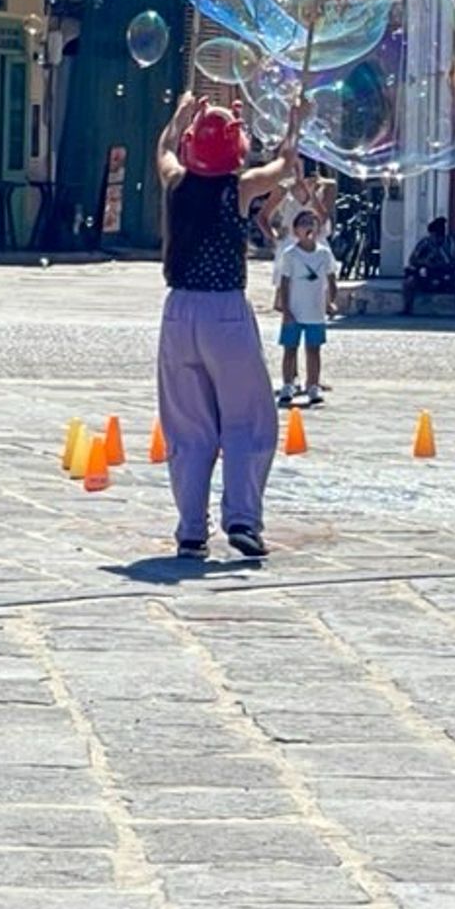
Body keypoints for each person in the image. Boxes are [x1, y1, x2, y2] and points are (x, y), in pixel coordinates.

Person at [156, 92, 298, 560]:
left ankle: (191, 530)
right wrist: (295, 123)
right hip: (225, 314)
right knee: (248, 421)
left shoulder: (176, 181)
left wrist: (179, 120)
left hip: (178, 315)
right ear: (234, 151)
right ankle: (241, 519)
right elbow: (285, 167)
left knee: (187, 428)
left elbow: (165, 151)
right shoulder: (238, 188)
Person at [274, 209, 339, 406]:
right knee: (290, 349)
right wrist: (286, 310)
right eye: (303, 223)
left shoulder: (324, 254)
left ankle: (313, 385)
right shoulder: (290, 255)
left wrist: (330, 301)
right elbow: (284, 283)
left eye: (312, 223)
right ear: (295, 230)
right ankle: (288, 384)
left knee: (314, 349)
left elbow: (331, 278)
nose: (308, 227)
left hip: (315, 311)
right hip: (294, 310)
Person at [403, 215, 455, 316]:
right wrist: (425, 262)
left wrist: (444, 264)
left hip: (446, 275)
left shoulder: (451, 244)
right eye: (432, 235)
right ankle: (407, 309)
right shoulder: (425, 243)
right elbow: (413, 259)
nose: (434, 238)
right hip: (427, 275)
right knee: (409, 281)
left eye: (436, 236)